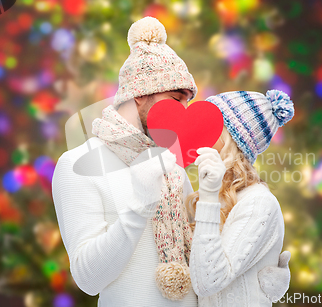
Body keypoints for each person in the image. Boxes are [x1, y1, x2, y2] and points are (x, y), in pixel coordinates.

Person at [52, 16, 199, 306]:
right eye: (175, 98)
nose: (184, 112)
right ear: (139, 95)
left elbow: (198, 257)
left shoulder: (173, 165)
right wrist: (138, 206)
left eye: (187, 103)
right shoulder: (77, 165)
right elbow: (88, 279)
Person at [187, 89, 294, 306]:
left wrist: (207, 197)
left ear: (231, 139)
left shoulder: (259, 203)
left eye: (211, 124)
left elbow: (208, 282)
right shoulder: (215, 195)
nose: (200, 130)